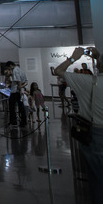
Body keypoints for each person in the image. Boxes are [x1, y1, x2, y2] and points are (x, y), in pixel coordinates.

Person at [54, 46, 102, 203]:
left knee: (97, 179)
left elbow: (58, 71)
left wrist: (73, 58)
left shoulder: (89, 82)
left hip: (95, 134)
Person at [5, 61, 27, 127]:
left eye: (9, 67)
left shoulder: (15, 70)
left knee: (12, 106)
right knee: (20, 106)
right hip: (18, 90)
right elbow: (25, 81)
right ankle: (23, 121)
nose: (9, 69)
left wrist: (19, 88)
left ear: (11, 65)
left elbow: (18, 80)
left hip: (15, 91)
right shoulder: (20, 70)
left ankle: (13, 121)